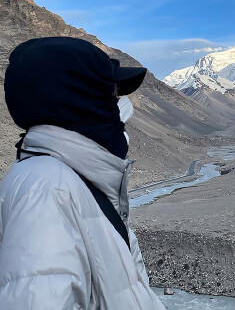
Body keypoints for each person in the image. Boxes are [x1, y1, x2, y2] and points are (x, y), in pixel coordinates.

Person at [0, 37, 166, 310]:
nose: (120, 105)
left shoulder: (73, 179)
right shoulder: (47, 190)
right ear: (79, 101)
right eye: (112, 94)